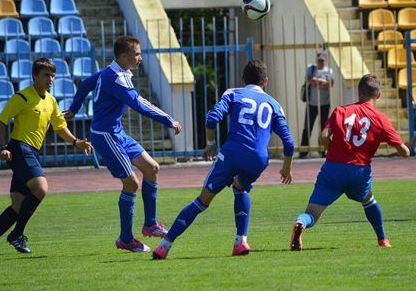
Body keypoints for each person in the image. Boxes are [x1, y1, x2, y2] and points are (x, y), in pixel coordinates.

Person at [152, 60, 294, 260]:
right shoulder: (274, 104)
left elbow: (211, 119)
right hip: (258, 159)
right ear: (266, 81)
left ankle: (164, 246)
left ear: (243, 79)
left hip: (231, 154)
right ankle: (241, 241)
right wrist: (286, 168)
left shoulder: (233, 93)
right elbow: (289, 143)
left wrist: (210, 143)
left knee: (202, 201)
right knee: (240, 188)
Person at [65, 36, 181, 253]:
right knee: (131, 184)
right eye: (136, 54)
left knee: (152, 168)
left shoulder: (110, 72)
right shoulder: (116, 78)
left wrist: (74, 108)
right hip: (105, 135)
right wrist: (168, 119)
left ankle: (151, 224)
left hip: (117, 132)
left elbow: (88, 83)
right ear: (124, 56)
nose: (139, 59)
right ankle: (126, 239)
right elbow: (139, 104)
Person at [0, 58, 92, 255]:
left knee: (18, 204)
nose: (51, 79)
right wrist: (2, 147)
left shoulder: (51, 100)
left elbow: (59, 126)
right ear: (35, 76)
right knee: (41, 188)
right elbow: (3, 121)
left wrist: (76, 142)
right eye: (46, 75)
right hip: (20, 148)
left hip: (32, 152)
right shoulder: (22, 97)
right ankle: (17, 234)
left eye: (53, 75)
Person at [290, 74, 410, 251]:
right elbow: (404, 152)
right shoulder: (380, 119)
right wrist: (403, 148)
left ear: (358, 92)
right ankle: (383, 239)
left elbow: (324, 135)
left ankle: (301, 223)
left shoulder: (340, 111)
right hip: (359, 171)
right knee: (369, 200)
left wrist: (330, 148)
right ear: (377, 95)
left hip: (333, 169)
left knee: (312, 213)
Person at [300, 51, 334, 158]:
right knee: (307, 127)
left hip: (324, 104)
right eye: (319, 60)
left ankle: (322, 151)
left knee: (323, 128)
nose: (321, 62)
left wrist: (315, 81)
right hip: (312, 103)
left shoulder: (329, 70)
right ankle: (303, 151)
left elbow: (329, 84)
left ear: (325, 61)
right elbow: (308, 79)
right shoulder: (311, 68)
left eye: (322, 60)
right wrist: (321, 81)